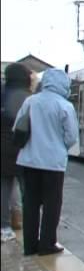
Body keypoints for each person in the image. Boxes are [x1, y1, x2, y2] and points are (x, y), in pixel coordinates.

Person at [13, 69, 79, 256]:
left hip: (28, 161)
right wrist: (59, 147)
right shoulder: (65, 105)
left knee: (30, 203)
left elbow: (17, 127)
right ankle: (47, 244)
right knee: (52, 204)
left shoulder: (30, 101)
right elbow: (71, 136)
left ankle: (30, 245)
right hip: (53, 164)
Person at [1, 63, 33, 243]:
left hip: (2, 149)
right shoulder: (29, 97)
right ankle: (27, 224)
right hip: (24, 148)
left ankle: (4, 227)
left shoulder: (2, 93)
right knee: (28, 190)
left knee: (4, 188)